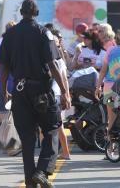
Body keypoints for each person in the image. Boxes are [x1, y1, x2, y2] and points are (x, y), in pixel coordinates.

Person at [0, 0, 71, 188]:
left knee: (27, 139)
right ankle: (42, 171)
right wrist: (64, 91)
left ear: (21, 13)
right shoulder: (43, 32)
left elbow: (4, 66)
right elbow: (53, 64)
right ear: (36, 13)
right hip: (42, 90)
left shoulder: (9, 35)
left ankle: (31, 181)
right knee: (52, 129)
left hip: (20, 91)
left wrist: (5, 88)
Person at [51, 29, 71, 160]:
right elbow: (65, 80)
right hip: (58, 94)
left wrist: (67, 95)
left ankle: (64, 152)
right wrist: (67, 95)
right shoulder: (60, 61)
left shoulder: (55, 61)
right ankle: (64, 152)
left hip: (53, 94)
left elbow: (64, 79)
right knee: (59, 126)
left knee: (49, 127)